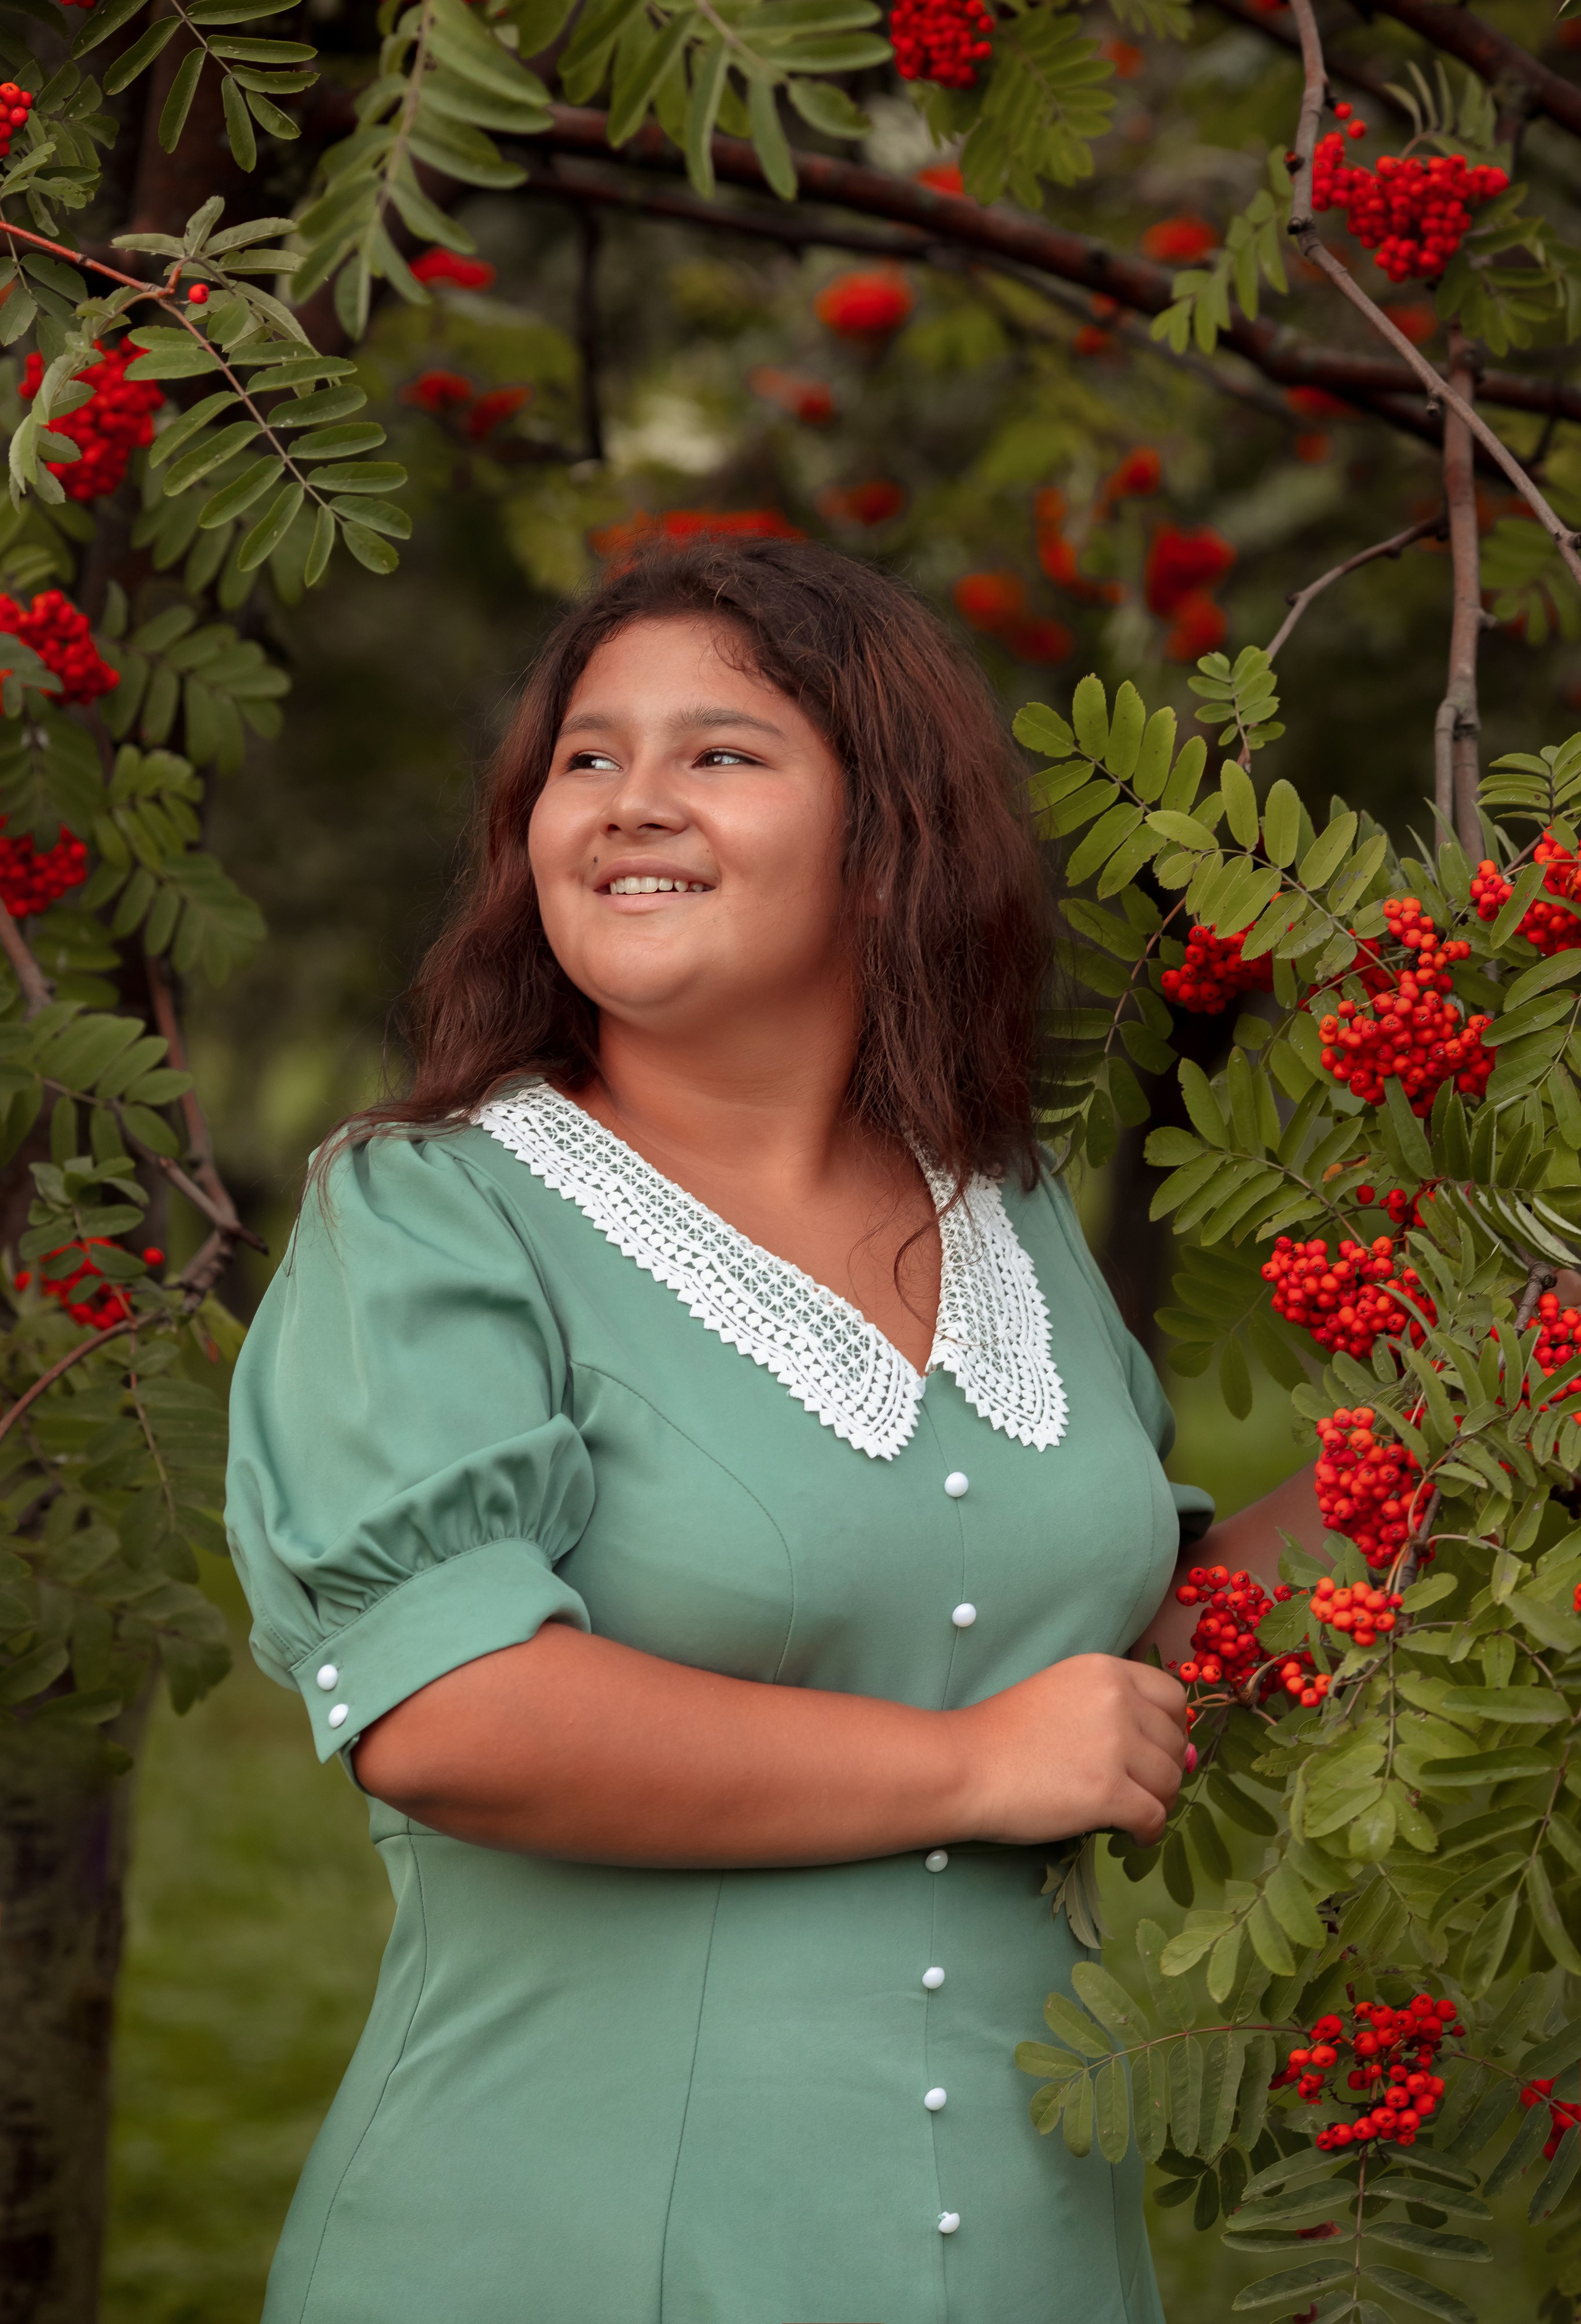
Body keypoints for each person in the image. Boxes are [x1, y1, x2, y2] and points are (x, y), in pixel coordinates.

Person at [225, 538, 1320, 2324]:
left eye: (718, 752)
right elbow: (451, 1709)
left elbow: (1120, 1681)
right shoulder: (432, 1215)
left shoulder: (1008, 1209)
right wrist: (977, 1768)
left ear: (886, 832)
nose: (630, 799)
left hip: (1033, 2258)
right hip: (563, 2258)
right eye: (588, 756)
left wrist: (1452, 1458)